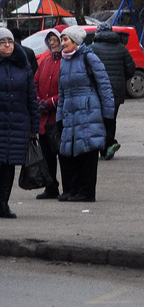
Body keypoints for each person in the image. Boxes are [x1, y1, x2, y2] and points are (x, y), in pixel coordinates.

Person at [55, 25, 115, 202]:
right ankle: (74, 190)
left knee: (87, 152)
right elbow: (62, 92)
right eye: (62, 40)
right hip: (70, 114)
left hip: (89, 112)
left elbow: (104, 87)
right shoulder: (64, 61)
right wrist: (59, 117)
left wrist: (108, 116)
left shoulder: (89, 57)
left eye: (66, 39)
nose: (62, 43)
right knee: (71, 152)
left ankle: (87, 192)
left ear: (76, 41)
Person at [0, 27, 39, 218]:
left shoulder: (23, 65)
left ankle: (3, 205)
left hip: (16, 124)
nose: (7, 45)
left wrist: (34, 126)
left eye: (10, 41)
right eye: (2, 42)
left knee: (9, 165)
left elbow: (31, 97)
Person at [88, 19, 136, 159]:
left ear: (98, 33)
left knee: (98, 118)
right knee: (111, 118)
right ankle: (108, 145)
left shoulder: (92, 48)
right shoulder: (122, 48)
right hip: (116, 89)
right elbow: (131, 69)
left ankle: (103, 146)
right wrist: (122, 79)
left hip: (97, 90)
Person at [33, 27, 63, 199]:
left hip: (59, 116)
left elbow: (67, 90)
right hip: (45, 117)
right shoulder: (45, 62)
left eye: (55, 40)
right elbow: (36, 82)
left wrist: (51, 102)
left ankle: (68, 187)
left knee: (63, 155)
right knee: (47, 156)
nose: (52, 43)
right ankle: (51, 186)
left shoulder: (65, 62)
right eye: (50, 40)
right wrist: (39, 101)